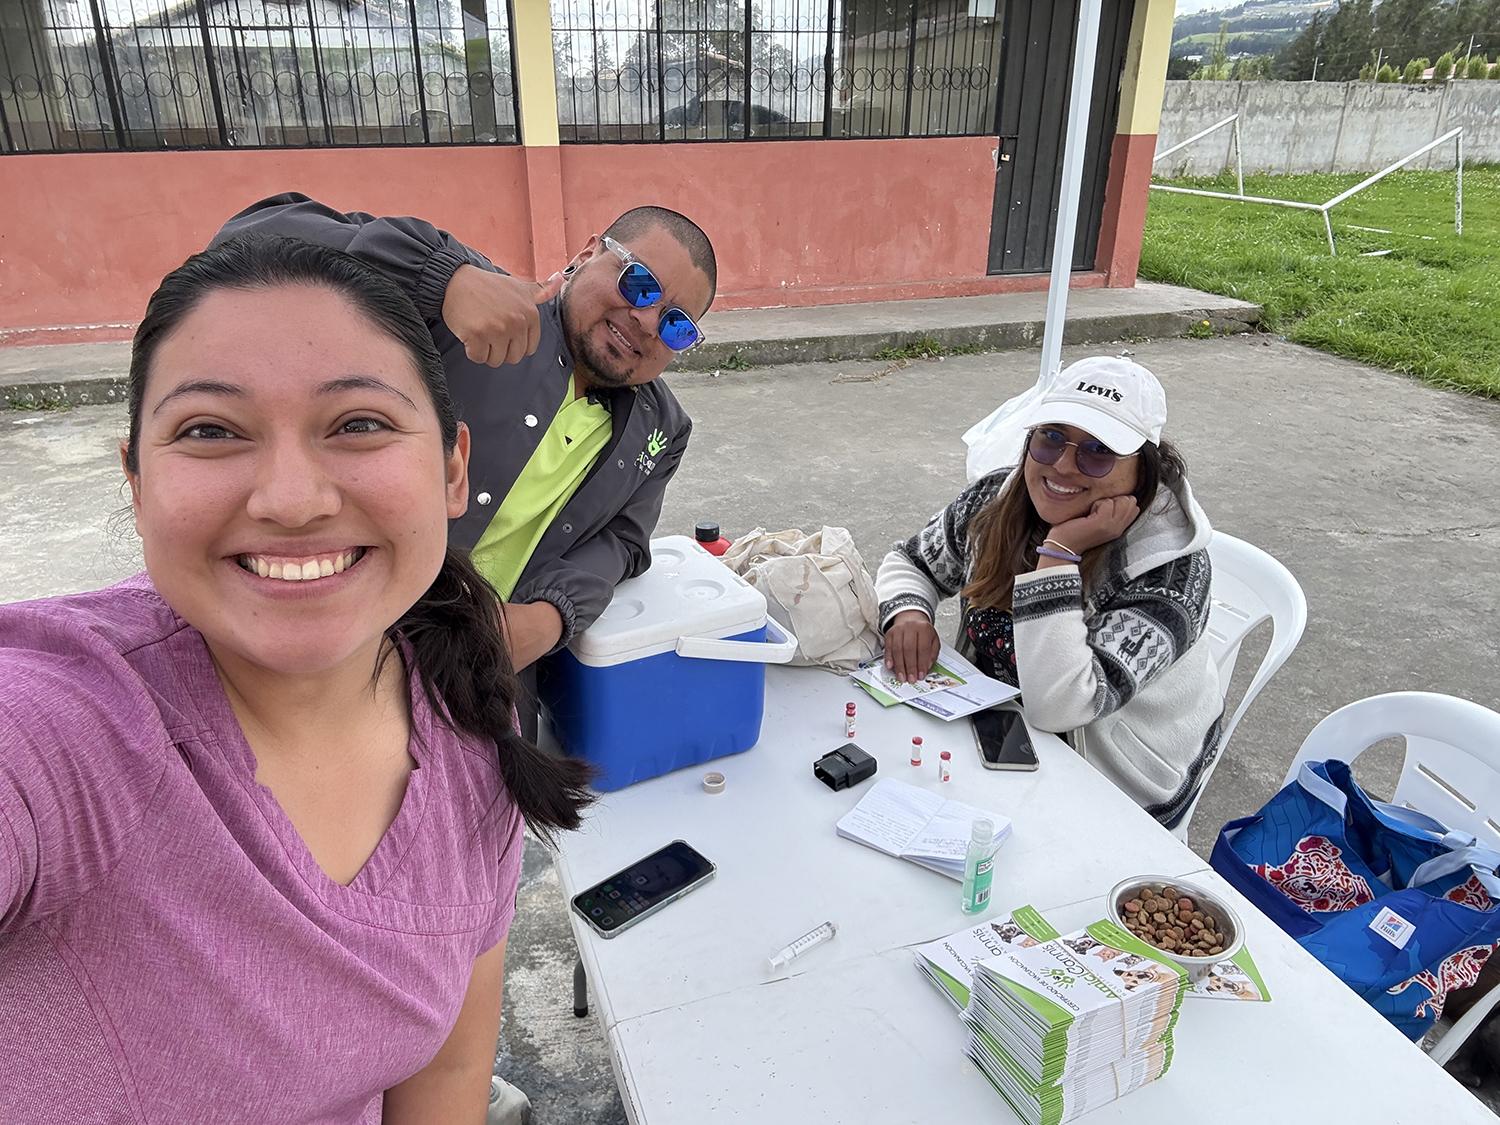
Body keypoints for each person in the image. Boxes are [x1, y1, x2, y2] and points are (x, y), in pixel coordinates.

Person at [0, 236, 592, 1123]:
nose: (290, 498)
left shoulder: (472, 730)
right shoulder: (66, 723)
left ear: (452, 468)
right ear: (136, 480)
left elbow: (443, 1080)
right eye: (209, 430)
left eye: (358, 423)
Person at [211, 193, 716, 687]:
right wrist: (440, 278)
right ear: (587, 254)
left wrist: (548, 618)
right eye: (640, 285)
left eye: (676, 326)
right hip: (334, 644)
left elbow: (622, 541)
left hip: (479, 676)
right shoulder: (476, 306)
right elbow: (250, 236)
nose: (648, 322)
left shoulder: (664, 428)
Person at [876, 357, 1222, 829]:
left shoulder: (1171, 571)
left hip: (1114, 785)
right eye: (1051, 437)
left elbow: (1063, 707)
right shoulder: (998, 498)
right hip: (994, 728)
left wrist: (1059, 554)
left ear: (1142, 470)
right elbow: (912, 561)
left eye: (1097, 451)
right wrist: (909, 614)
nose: (1062, 465)